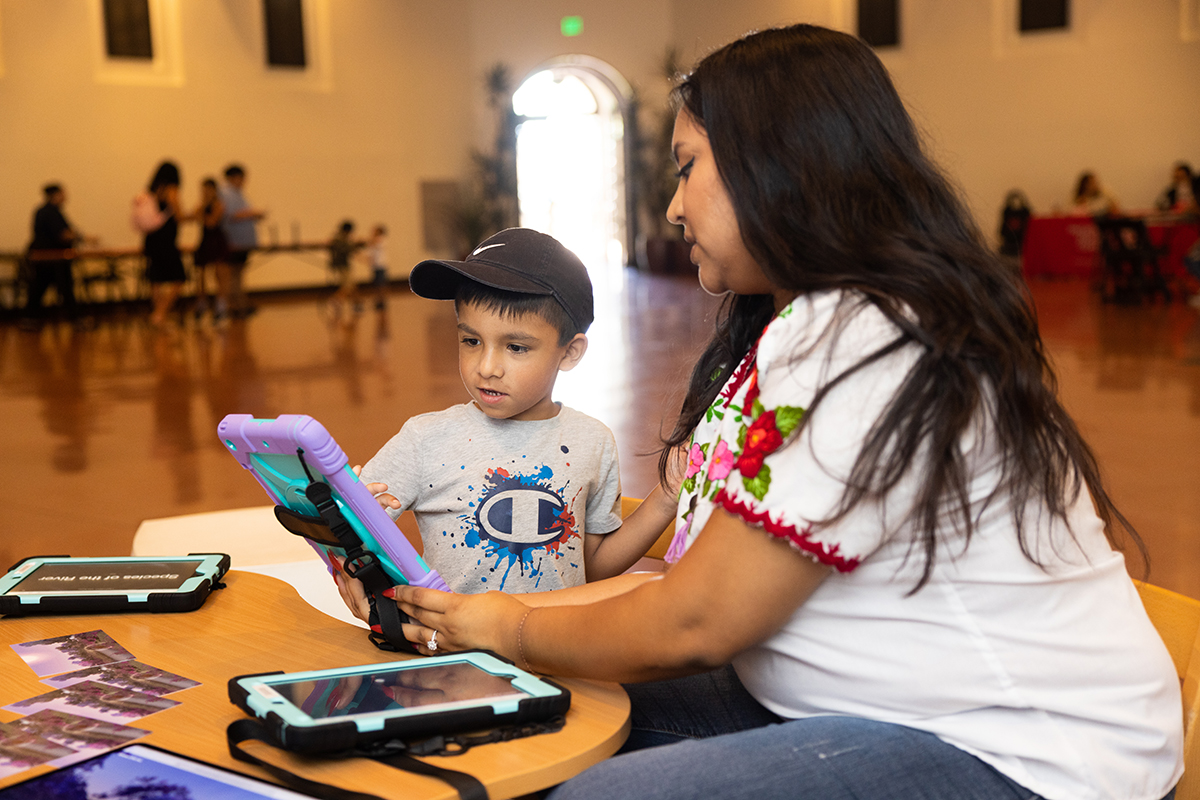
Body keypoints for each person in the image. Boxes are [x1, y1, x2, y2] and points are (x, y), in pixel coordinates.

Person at [375, 25, 1182, 800]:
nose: (673, 209)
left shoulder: (871, 337)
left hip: (1025, 756)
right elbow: (687, 587)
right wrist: (469, 620)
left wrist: (510, 631)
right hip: (868, 707)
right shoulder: (808, 327)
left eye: (687, 168)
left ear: (778, 168)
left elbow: (697, 620)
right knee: (521, 715)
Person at [340, 227, 673, 597]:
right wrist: (353, 518)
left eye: (515, 347)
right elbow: (350, 530)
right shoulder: (425, 440)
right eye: (471, 341)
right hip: (455, 648)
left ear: (569, 352)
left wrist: (665, 498)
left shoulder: (593, 442)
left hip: (554, 648)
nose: (487, 367)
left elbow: (588, 568)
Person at [22, 183, 91, 328]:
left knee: (40, 287)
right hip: (53, 258)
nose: (65, 196)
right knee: (63, 287)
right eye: (63, 193)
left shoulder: (44, 211)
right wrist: (82, 238)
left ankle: (30, 318)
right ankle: (75, 318)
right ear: (56, 195)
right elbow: (63, 234)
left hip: (47, 257)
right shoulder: (50, 212)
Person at [134, 161, 185, 329]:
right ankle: (160, 314)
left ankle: (157, 314)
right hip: (166, 241)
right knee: (178, 277)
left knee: (156, 279)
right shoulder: (171, 190)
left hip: (151, 240)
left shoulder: (152, 190)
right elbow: (178, 214)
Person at [217, 164, 266, 320]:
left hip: (242, 241)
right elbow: (231, 215)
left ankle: (240, 303)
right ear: (234, 178)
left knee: (238, 272)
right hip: (234, 241)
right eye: (242, 178)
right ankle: (233, 304)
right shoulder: (226, 194)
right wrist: (252, 213)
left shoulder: (238, 194)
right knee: (232, 273)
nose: (244, 181)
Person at [189, 178, 227, 319]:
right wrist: (201, 211)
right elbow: (194, 215)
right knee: (201, 273)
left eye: (208, 190)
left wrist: (201, 215)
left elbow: (212, 222)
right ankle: (202, 301)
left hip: (216, 240)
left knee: (218, 272)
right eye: (203, 190)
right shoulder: (202, 205)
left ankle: (220, 303)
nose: (205, 193)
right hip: (204, 240)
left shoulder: (219, 204)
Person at [327, 219, 361, 314]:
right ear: (347, 230)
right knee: (348, 286)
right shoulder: (342, 239)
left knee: (352, 285)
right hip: (343, 266)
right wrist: (354, 242)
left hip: (340, 265)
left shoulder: (336, 238)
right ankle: (335, 300)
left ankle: (357, 304)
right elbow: (349, 249)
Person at [368, 224, 389, 310]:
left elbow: (376, 244)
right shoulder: (373, 242)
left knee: (381, 284)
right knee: (376, 284)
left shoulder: (382, 240)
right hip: (375, 266)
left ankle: (383, 301)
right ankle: (378, 300)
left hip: (381, 265)